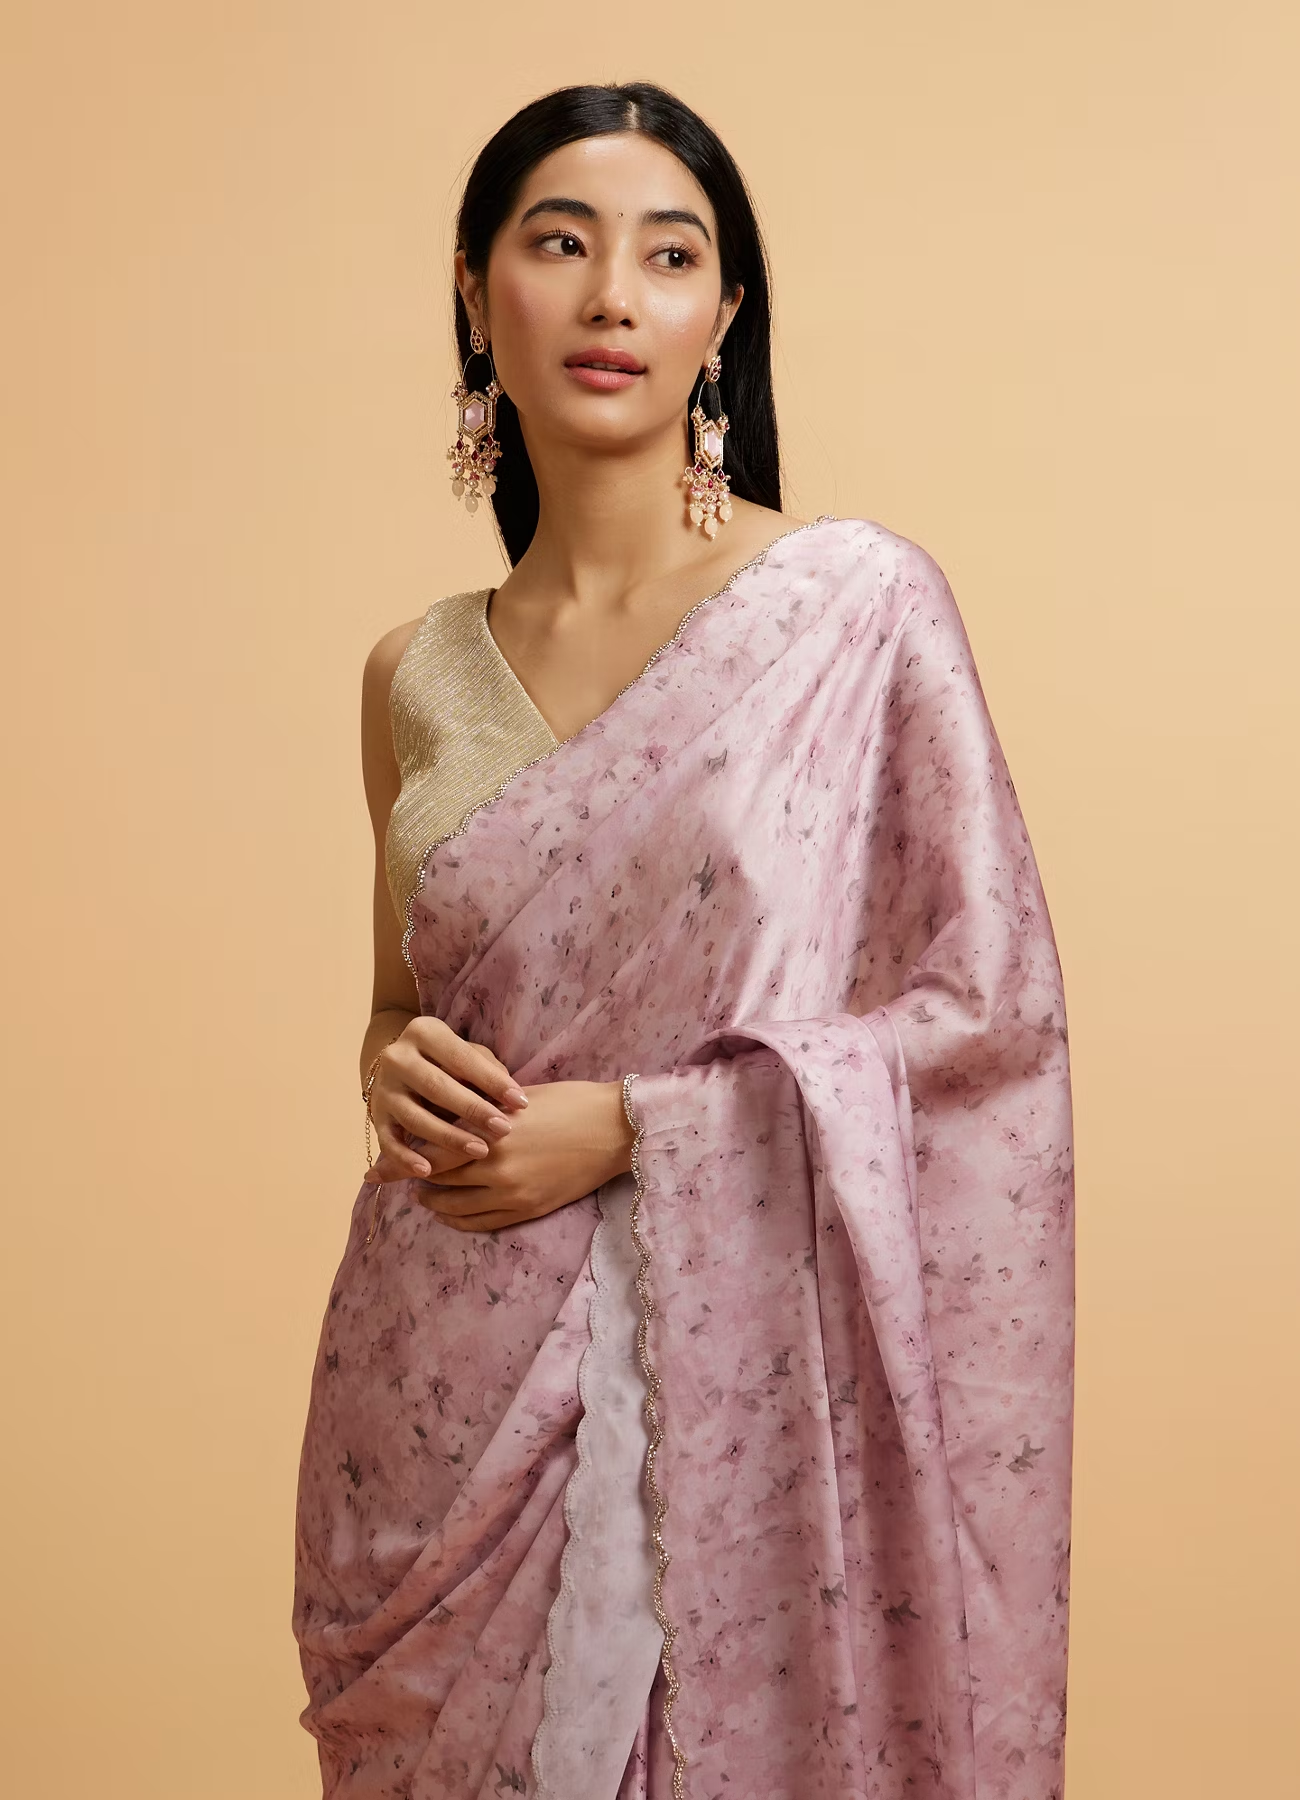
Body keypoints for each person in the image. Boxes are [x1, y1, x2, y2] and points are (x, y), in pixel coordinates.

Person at [293, 81, 1075, 1800]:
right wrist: (389, 1063)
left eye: (668, 256)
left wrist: (640, 1128)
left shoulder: (852, 613)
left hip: (739, 1403)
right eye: (558, 243)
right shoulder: (413, 673)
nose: (610, 297)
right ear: (474, 290)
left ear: (724, 317)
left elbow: (987, 1021)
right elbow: (401, 1005)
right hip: (437, 1403)